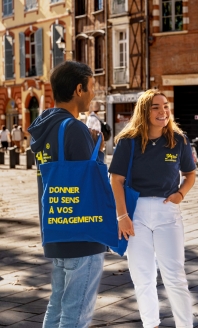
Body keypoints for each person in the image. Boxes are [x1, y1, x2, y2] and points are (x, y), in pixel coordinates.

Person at [108, 89, 196, 328]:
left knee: (175, 276)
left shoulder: (179, 140)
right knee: (142, 277)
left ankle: (185, 325)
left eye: (165, 106)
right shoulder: (129, 141)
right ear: (144, 111)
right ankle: (151, 324)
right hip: (136, 214)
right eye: (156, 107)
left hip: (168, 213)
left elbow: (190, 174)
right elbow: (116, 180)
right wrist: (122, 216)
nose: (162, 111)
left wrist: (180, 194)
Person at [27, 61, 106, 328]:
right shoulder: (73, 128)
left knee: (58, 306)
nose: (93, 94)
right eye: (91, 88)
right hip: (82, 233)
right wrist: (99, 149)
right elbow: (91, 181)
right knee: (76, 313)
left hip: (57, 229)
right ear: (78, 89)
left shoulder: (44, 127)